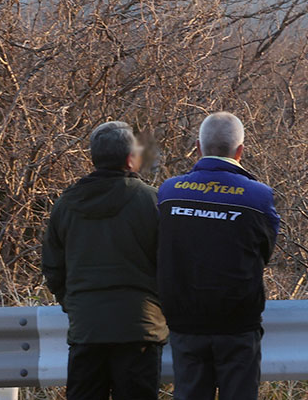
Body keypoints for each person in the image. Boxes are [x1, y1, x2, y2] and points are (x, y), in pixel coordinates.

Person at [157, 112, 280, 400]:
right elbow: (266, 251)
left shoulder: (169, 192)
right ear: (240, 151)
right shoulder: (258, 196)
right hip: (237, 324)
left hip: (184, 322)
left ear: (198, 148)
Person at [42, 120, 167, 400]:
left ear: (93, 158)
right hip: (140, 327)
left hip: (87, 327)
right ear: (131, 158)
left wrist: (74, 303)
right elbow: (170, 265)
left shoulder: (66, 204)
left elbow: (52, 267)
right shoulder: (153, 202)